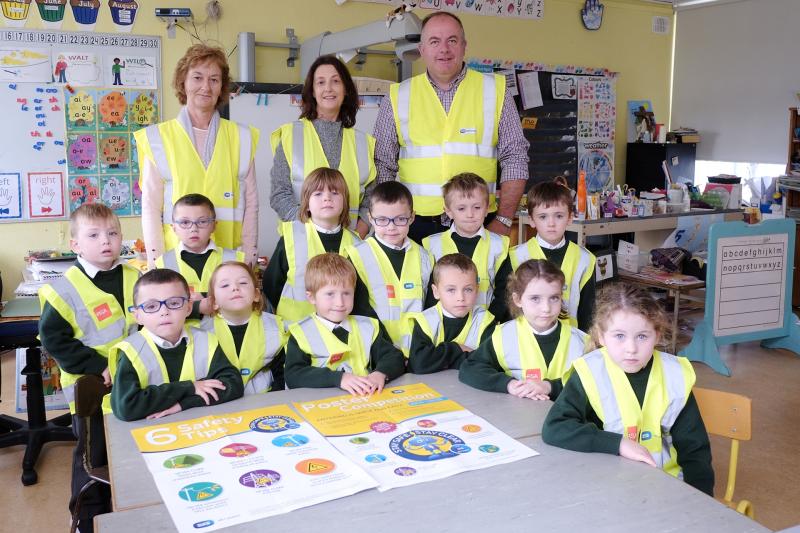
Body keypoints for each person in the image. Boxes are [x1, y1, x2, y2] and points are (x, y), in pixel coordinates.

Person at [542, 283, 714, 496]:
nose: (631, 348)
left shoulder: (675, 375)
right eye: (619, 336)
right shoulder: (591, 371)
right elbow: (555, 428)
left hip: (666, 488)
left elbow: (695, 451)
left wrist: (700, 499)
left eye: (642, 336)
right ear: (601, 337)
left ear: (657, 335)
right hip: (609, 488)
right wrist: (618, 444)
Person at [373, 11, 529, 242]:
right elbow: (382, 164)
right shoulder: (397, 96)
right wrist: (390, 222)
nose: (444, 49)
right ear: (422, 49)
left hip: (479, 225)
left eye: (452, 41)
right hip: (415, 228)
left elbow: (515, 157)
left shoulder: (495, 91)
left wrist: (504, 220)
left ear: (464, 46)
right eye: (434, 42)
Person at [38, 203, 140, 533]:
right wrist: (98, 367)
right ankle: (86, 518)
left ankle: (126, 511)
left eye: (112, 233)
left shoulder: (134, 276)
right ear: (76, 244)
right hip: (92, 393)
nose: (105, 241)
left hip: (134, 385)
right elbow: (54, 338)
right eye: (93, 235)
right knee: (93, 459)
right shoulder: (63, 289)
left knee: (130, 454)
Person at [135, 44, 259, 268]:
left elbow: (251, 205)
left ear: (222, 86)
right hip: (176, 262)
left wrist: (248, 258)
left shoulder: (241, 137)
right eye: (197, 77)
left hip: (227, 262)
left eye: (214, 79)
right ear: (183, 82)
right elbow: (151, 208)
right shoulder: (158, 138)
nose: (206, 87)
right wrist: (156, 264)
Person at [110, 268, 244, 421]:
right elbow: (127, 407)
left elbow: (233, 385)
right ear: (137, 316)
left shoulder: (205, 340)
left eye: (174, 303)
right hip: (144, 432)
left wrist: (183, 404)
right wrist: (190, 387)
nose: (164, 311)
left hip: (196, 425)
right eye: (151, 306)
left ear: (188, 307)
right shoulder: (131, 351)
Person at [270, 55, 376, 238]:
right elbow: (280, 195)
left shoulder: (363, 142)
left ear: (346, 90)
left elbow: (371, 200)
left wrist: (356, 237)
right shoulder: (290, 136)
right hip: (302, 243)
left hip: (349, 247)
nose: (328, 88)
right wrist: (316, 233)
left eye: (335, 81)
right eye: (320, 82)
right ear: (312, 90)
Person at [459, 259, 588, 400]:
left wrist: (550, 386)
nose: (546, 308)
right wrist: (509, 384)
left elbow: (594, 384)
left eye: (554, 298)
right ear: (518, 299)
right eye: (535, 299)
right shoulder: (504, 335)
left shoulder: (583, 342)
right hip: (518, 418)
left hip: (567, 419)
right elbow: (470, 368)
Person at [284, 253, 405, 394]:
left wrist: (380, 373)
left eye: (346, 293)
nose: (340, 303)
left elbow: (394, 357)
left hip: (364, 403)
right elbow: (294, 375)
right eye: (330, 294)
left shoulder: (368, 327)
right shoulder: (301, 333)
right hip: (321, 408)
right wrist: (338, 378)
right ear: (311, 297)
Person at [263, 168, 360, 322]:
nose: (327, 198)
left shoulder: (357, 245)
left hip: (340, 333)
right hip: (295, 332)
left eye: (335, 193)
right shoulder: (291, 239)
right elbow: (272, 285)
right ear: (306, 204)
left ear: (345, 202)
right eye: (318, 193)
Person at [495, 180, 596, 328]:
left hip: (569, 344)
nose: (551, 223)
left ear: (570, 218)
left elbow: (588, 312)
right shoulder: (516, 256)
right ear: (531, 220)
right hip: (526, 343)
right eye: (543, 217)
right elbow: (505, 307)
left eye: (559, 216)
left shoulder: (586, 259)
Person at [346, 181, 433, 351]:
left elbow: (431, 311)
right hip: (375, 353)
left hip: (418, 353)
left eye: (400, 219)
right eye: (382, 220)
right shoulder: (357, 256)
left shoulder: (425, 257)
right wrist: (388, 352)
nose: (391, 227)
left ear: (412, 217)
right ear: (370, 218)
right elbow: (360, 310)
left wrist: (420, 349)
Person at [422, 173, 509, 311]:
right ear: (448, 211)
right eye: (461, 208)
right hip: (446, 329)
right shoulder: (431, 245)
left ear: (487, 208)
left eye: (477, 207)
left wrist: (489, 323)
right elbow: (430, 295)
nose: (470, 214)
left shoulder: (499, 245)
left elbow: (504, 292)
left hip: (485, 327)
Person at [202, 261, 286, 394]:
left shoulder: (279, 328)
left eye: (243, 283)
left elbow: (282, 374)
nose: (235, 288)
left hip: (267, 403)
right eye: (225, 285)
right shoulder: (201, 334)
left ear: (256, 295)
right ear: (214, 302)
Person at [155, 193, 244, 318]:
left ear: (214, 225)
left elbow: (245, 298)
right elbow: (159, 307)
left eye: (202, 221)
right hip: (182, 336)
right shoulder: (162, 264)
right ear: (173, 228)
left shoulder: (236, 260)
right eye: (185, 222)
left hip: (227, 335)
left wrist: (202, 297)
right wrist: (198, 307)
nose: (194, 228)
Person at [407, 253, 495, 374]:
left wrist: (438, 361)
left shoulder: (485, 320)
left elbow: (490, 363)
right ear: (436, 292)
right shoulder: (426, 321)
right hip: (433, 389)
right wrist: (456, 348)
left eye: (468, 289)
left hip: (472, 389)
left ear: (477, 290)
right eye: (451, 290)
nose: (460, 297)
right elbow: (418, 364)